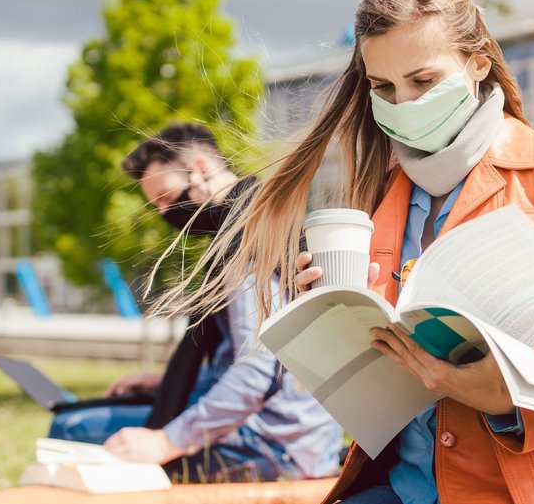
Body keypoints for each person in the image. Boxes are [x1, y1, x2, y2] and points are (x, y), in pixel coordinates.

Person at [164, 0, 534, 503]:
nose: (403, 104)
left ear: (477, 62)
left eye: (423, 81)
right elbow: (380, 356)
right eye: (382, 87)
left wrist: (509, 401)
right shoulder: (376, 196)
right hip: (397, 487)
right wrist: (325, 316)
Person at [56, 123, 343, 484]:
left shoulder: (244, 244)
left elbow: (256, 375)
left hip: (273, 447)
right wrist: (164, 384)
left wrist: (165, 441)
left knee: (72, 427)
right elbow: (259, 363)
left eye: (165, 196)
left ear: (202, 168)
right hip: (296, 437)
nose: (164, 213)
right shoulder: (262, 220)